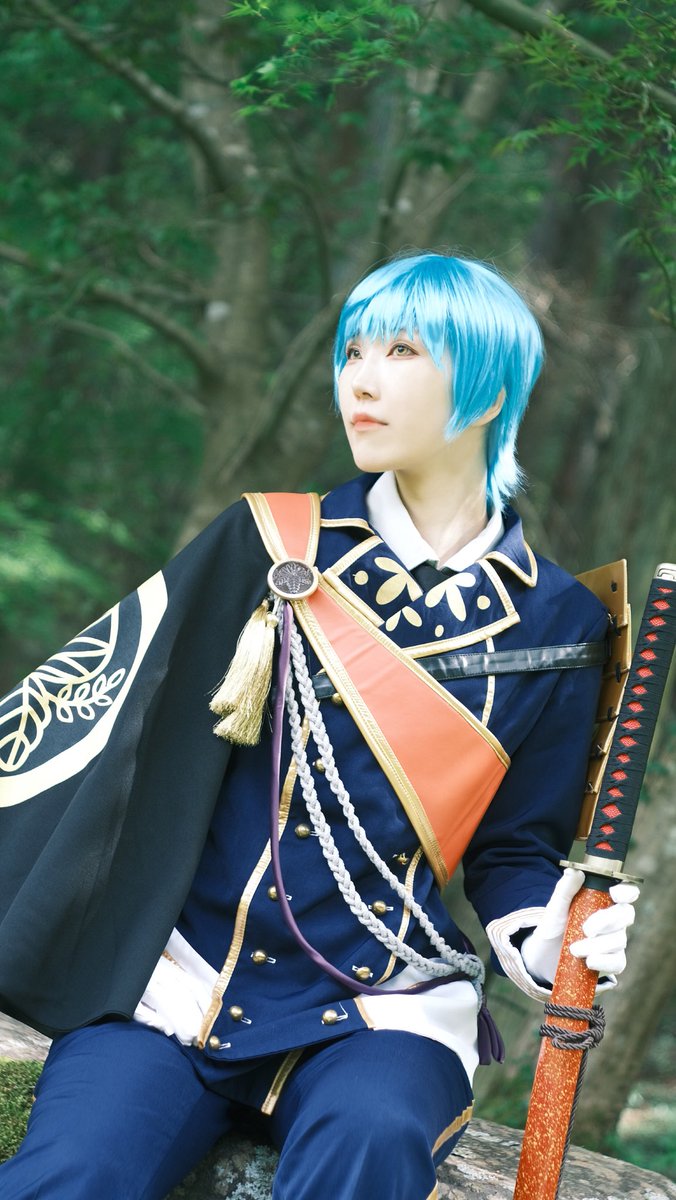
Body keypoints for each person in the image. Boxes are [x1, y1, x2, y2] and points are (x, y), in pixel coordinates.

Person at [0, 252, 638, 1200]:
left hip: (382, 1014)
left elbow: (515, 848)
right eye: (352, 352)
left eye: (402, 352)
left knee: (369, 1144)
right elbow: (90, 725)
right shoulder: (266, 542)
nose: (361, 380)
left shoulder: (560, 621)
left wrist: (549, 941)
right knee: (71, 1173)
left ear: (492, 386)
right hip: (180, 987)